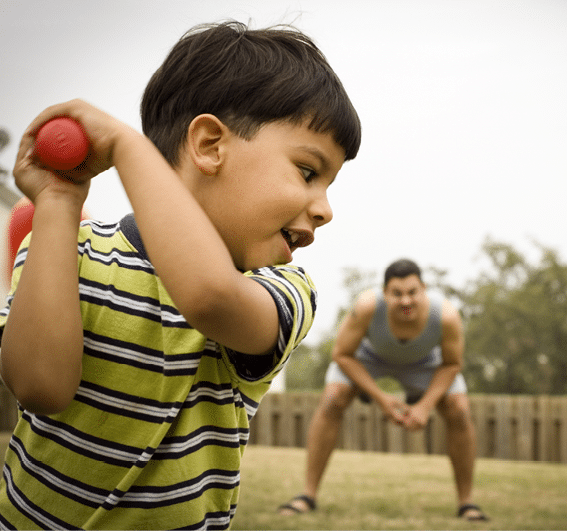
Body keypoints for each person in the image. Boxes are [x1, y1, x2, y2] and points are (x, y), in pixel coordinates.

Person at [0, 21, 361, 529]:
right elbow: (39, 386)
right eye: (308, 171)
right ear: (210, 145)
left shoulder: (283, 290)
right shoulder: (66, 253)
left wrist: (128, 149)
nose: (325, 209)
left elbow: (210, 296)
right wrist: (58, 204)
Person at [279, 259, 489, 522]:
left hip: (426, 365)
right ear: (384, 293)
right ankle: (307, 495)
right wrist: (381, 399)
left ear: (423, 289)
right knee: (333, 399)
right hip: (369, 359)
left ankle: (467, 504)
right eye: (397, 293)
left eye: (412, 292)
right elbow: (342, 355)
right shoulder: (367, 306)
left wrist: (424, 406)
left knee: (459, 409)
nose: (405, 301)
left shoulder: (446, 316)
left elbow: (452, 364)